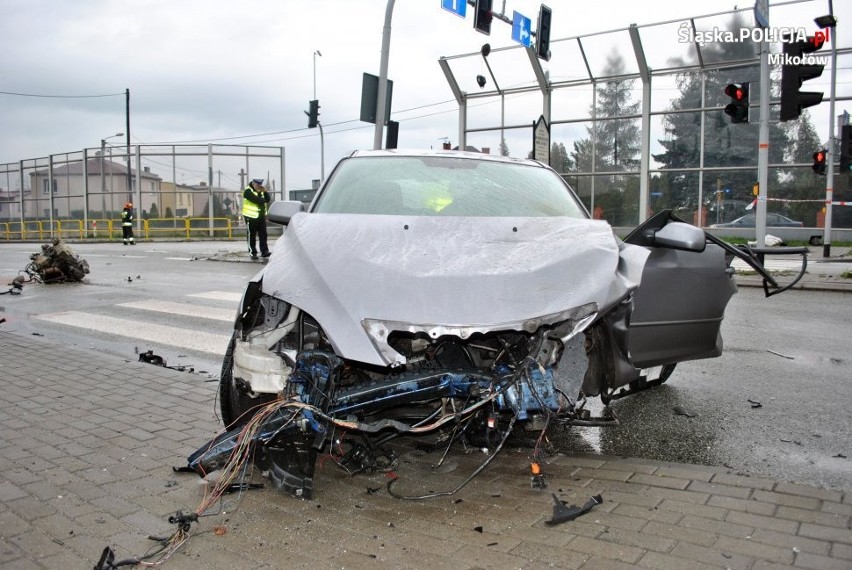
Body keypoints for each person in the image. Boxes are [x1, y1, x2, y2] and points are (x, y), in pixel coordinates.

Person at [242, 178, 271, 259]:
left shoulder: (261, 191)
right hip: (250, 217)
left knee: (263, 234)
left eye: (260, 185)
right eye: (258, 185)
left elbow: (268, 200)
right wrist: (262, 198)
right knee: (252, 235)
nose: (259, 187)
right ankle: (253, 252)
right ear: (254, 184)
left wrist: (265, 192)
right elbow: (258, 200)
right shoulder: (248, 191)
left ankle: (264, 251)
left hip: (261, 217)